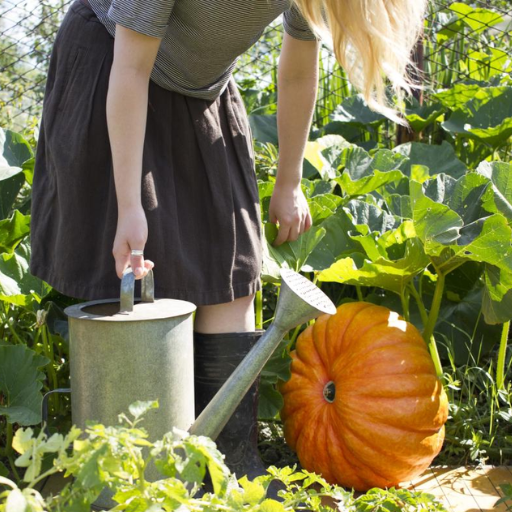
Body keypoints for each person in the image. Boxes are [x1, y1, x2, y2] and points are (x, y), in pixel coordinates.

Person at [29, 0, 427, 490]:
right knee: (129, 265)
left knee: (231, 263)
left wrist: (289, 181)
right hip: (114, 67)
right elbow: (131, 68)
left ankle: (231, 462)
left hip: (202, 86)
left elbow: (300, 68)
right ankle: (131, 474)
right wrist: (129, 206)